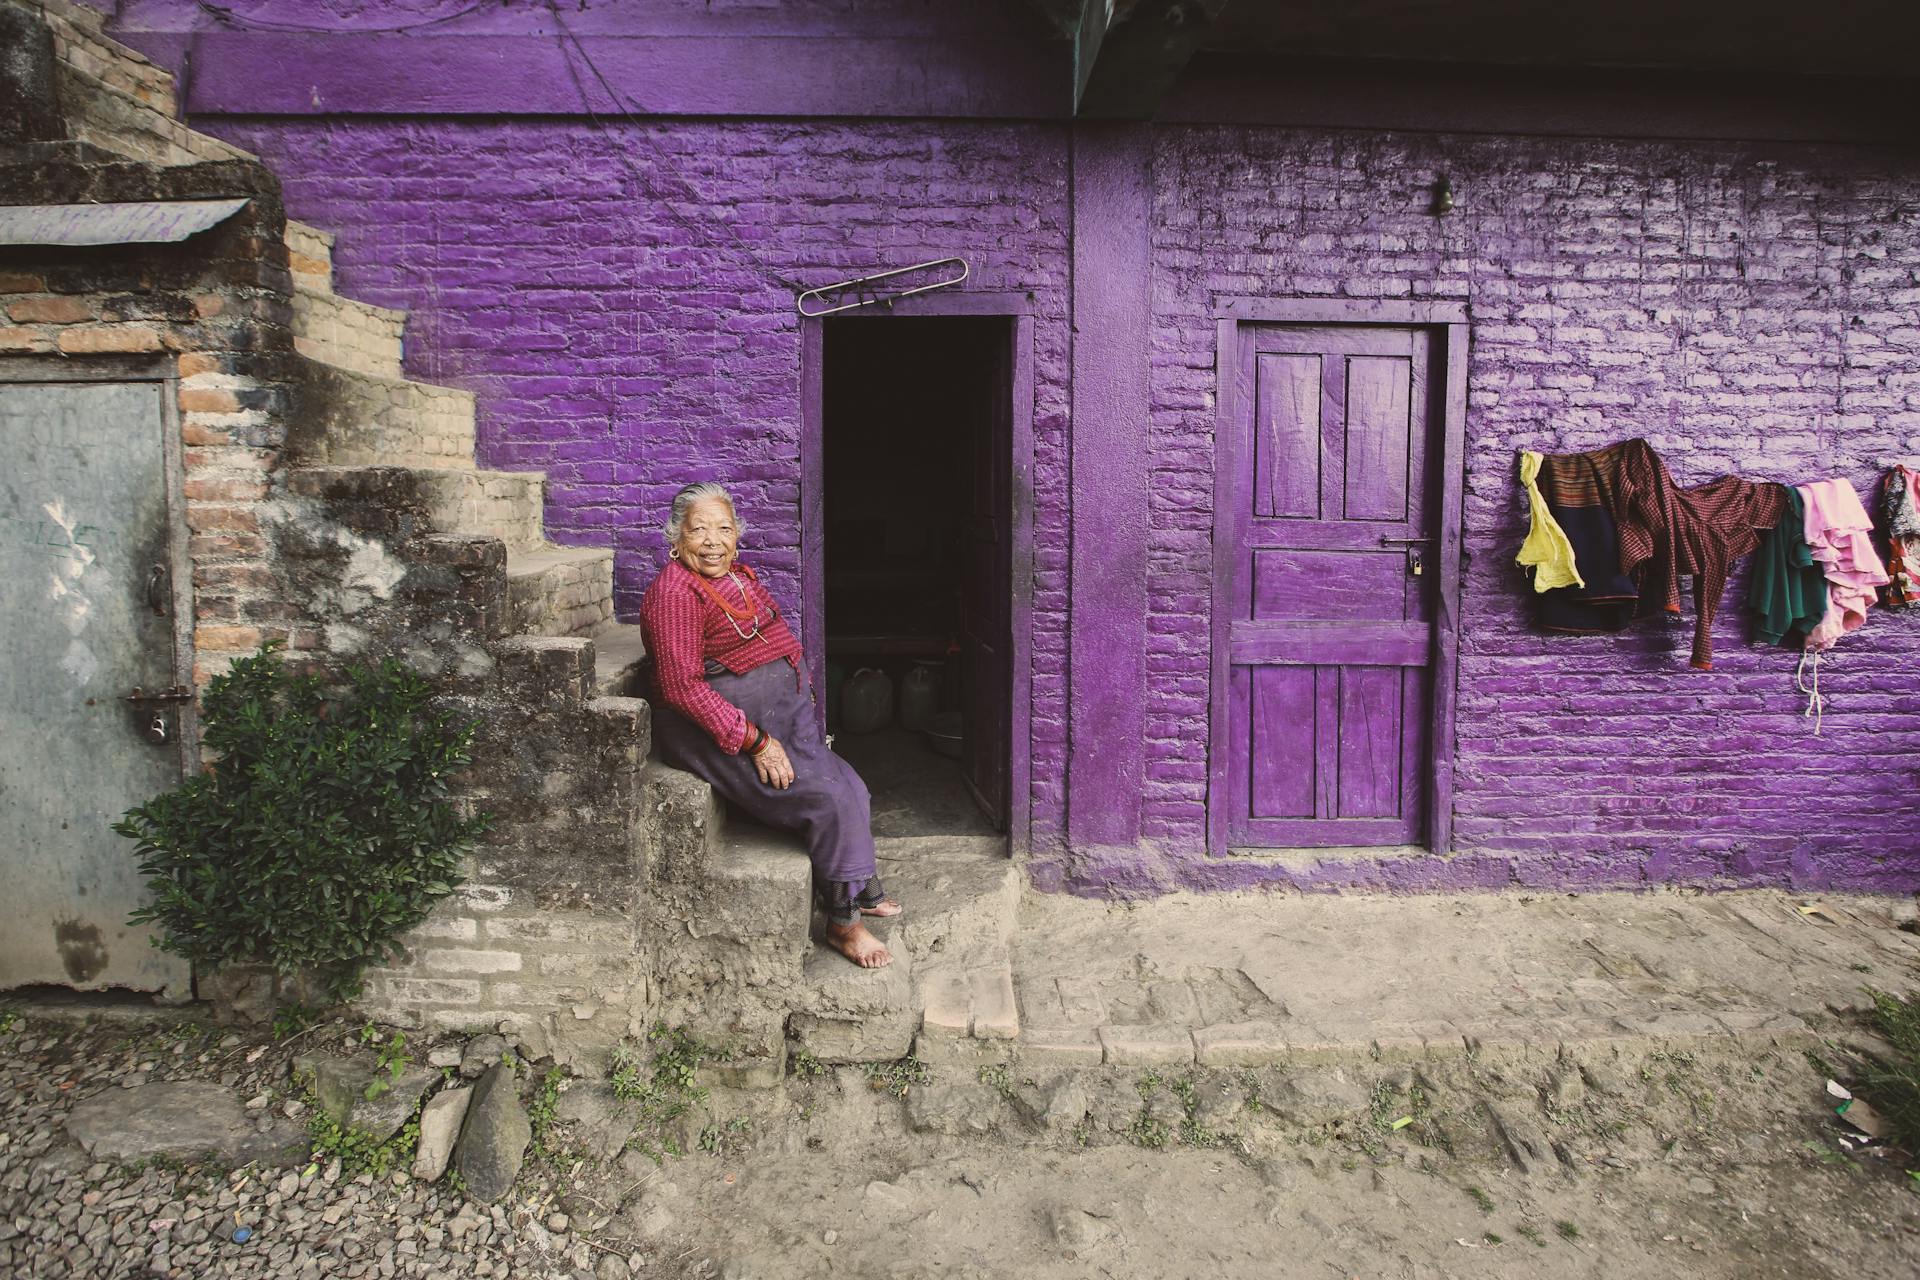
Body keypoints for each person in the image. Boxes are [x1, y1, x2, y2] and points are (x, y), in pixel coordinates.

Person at [639, 482, 900, 967]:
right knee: (828, 800)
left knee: (855, 787)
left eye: (724, 528)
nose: (713, 540)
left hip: (778, 720)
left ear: (738, 535)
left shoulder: (735, 577)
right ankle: (844, 926)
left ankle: (859, 886)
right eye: (698, 530)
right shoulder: (675, 594)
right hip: (722, 732)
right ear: (676, 539)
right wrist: (756, 742)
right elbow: (681, 689)